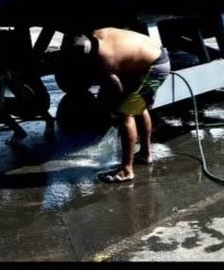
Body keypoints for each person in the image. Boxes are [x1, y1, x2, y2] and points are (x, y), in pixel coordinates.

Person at [67, 28, 171, 184]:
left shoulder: (105, 60)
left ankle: (126, 170)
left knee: (125, 113)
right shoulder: (97, 33)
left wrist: (114, 110)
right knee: (139, 107)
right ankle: (145, 154)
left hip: (157, 69)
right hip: (154, 56)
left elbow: (117, 90)